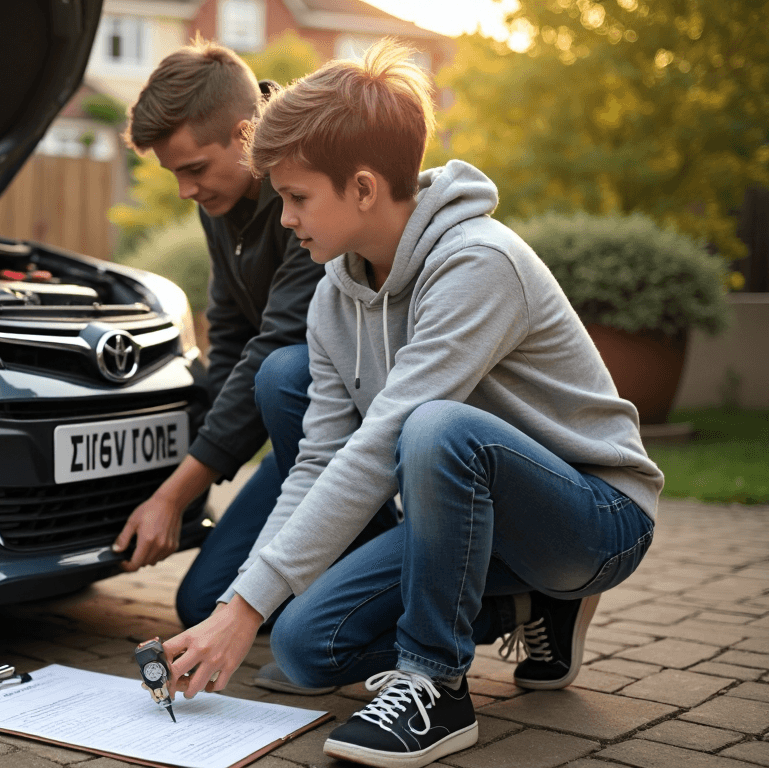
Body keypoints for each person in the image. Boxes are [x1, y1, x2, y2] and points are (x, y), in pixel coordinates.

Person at [158, 39, 663, 768]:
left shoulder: (478, 263)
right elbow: (319, 461)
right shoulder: (334, 296)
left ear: (363, 188)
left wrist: (241, 612)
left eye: (297, 197)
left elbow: (383, 441)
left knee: (434, 428)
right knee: (303, 644)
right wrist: (237, 609)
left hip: (594, 517)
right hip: (474, 523)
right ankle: (524, 607)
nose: (286, 218)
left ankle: (436, 686)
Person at [110, 37, 334, 634]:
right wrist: (193, 462)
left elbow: (274, 347)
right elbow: (232, 336)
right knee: (201, 602)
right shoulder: (225, 199)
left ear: (245, 134)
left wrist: (174, 496)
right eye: (174, 174)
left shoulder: (307, 189)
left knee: (282, 371)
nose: (185, 190)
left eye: (194, 169)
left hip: (353, 428)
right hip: (300, 440)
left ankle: (393, 556)